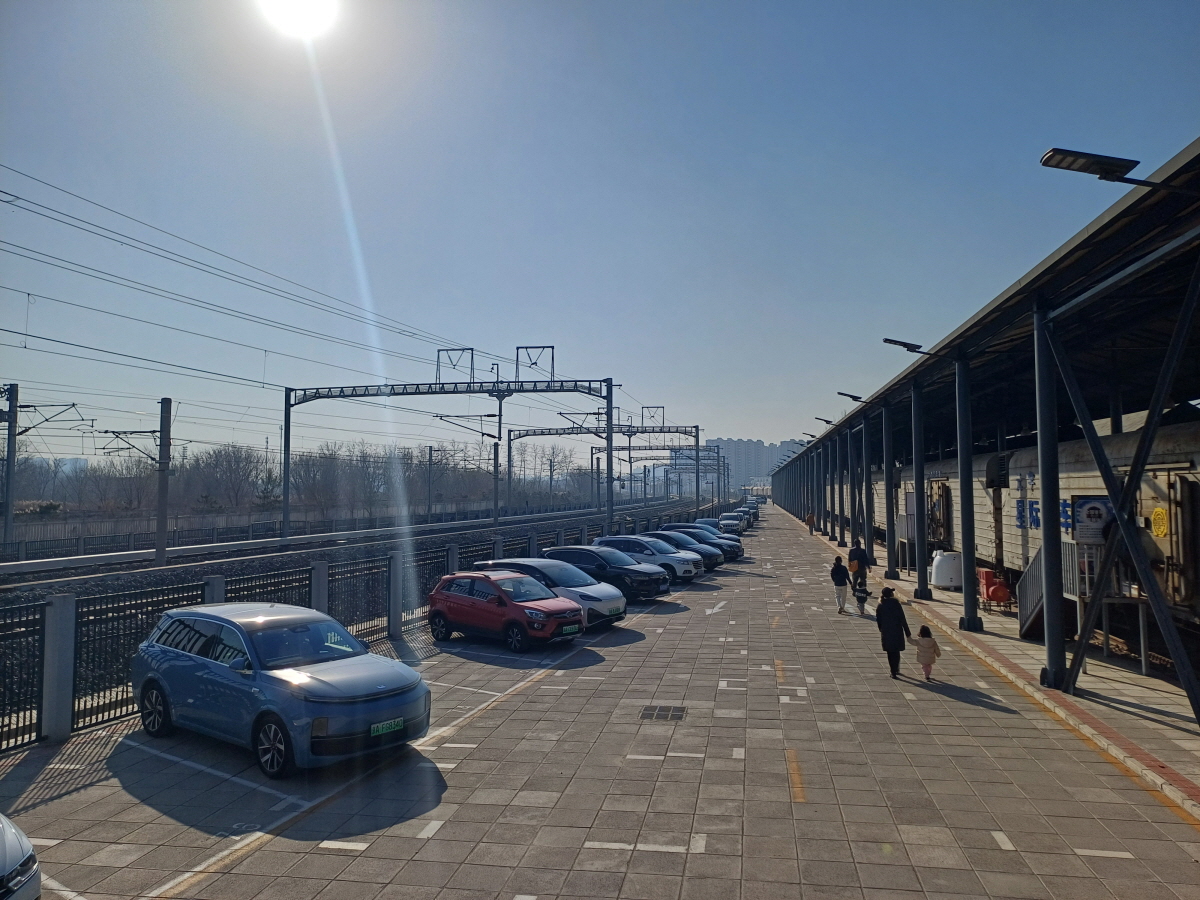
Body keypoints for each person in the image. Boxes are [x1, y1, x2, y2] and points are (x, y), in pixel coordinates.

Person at [875, 587, 911, 678]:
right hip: (897, 630)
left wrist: (881, 629)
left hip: (886, 631)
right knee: (896, 651)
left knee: (890, 652)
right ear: (891, 594)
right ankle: (896, 668)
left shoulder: (880, 605)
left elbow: (879, 620)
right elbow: (902, 618)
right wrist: (907, 633)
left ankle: (893, 671)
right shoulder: (896, 604)